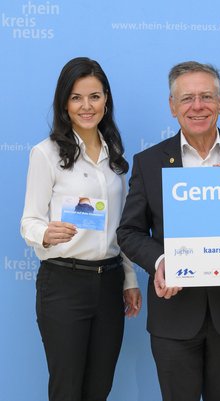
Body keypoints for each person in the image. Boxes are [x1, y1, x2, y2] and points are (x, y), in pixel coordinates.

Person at [117, 61, 220, 401]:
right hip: (174, 316)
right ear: (172, 106)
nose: (197, 106)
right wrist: (160, 261)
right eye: (187, 98)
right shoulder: (149, 162)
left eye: (206, 97)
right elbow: (128, 232)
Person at [20, 57, 141, 401]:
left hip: (109, 283)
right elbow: (29, 220)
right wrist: (44, 233)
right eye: (76, 98)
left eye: (95, 96)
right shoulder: (46, 154)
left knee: (99, 388)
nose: (86, 106)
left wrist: (129, 280)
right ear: (64, 102)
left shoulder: (114, 155)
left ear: (106, 100)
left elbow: (123, 227)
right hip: (63, 283)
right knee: (67, 389)